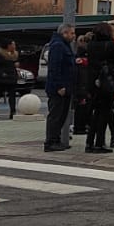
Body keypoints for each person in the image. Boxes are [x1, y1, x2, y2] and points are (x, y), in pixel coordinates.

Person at [84, 21, 114, 153]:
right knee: (104, 112)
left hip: (93, 82)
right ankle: (99, 143)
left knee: (95, 112)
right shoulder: (110, 44)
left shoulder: (90, 45)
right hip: (106, 82)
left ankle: (89, 143)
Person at [42, 24, 76, 152]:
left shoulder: (64, 45)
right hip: (59, 88)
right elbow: (54, 68)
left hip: (66, 87)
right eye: (72, 33)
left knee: (61, 115)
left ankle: (56, 140)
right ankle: (50, 142)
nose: (73, 36)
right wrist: (59, 86)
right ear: (65, 33)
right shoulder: (58, 46)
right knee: (56, 115)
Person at [0, 40, 22, 119]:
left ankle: (13, 112)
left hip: (12, 77)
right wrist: (1, 73)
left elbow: (13, 65)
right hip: (2, 78)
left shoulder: (14, 54)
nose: (14, 46)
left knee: (12, 95)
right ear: (8, 45)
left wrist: (16, 67)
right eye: (13, 44)